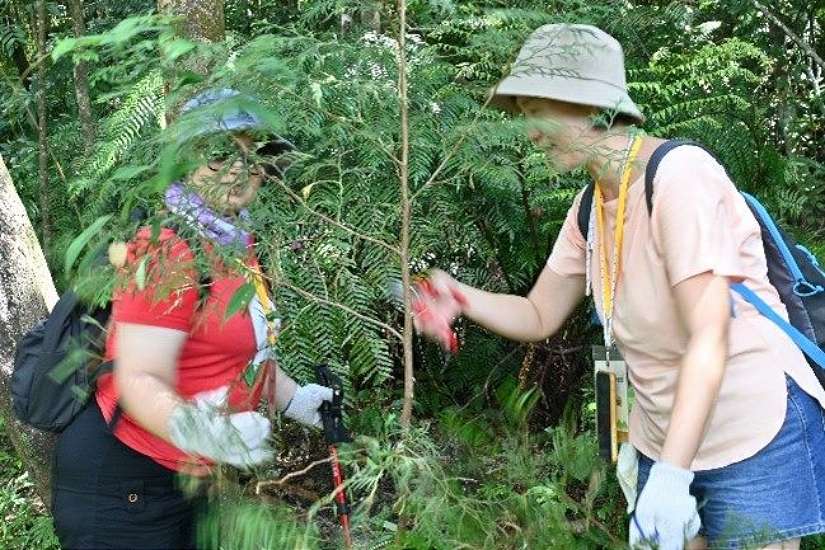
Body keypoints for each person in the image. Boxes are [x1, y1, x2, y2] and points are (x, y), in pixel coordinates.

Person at [411, 23, 825, 550]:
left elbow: (709, 336)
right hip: (663, 432)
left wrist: (672, 477)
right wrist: (460, 296)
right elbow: (539, 313)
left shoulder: (679, 177)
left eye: (537, 111)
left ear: (594, 108)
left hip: (748, 426)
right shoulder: (590, 205)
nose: (530, 133)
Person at [51, 88, 334, 549]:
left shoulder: (236, 245)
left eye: (253, 157)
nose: (238, 169)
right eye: (220, 154)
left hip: (183, 476)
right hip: (125, 484)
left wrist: (296, 399)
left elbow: (241, 353)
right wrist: (204, 431)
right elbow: (136, 378)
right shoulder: (168, 247)